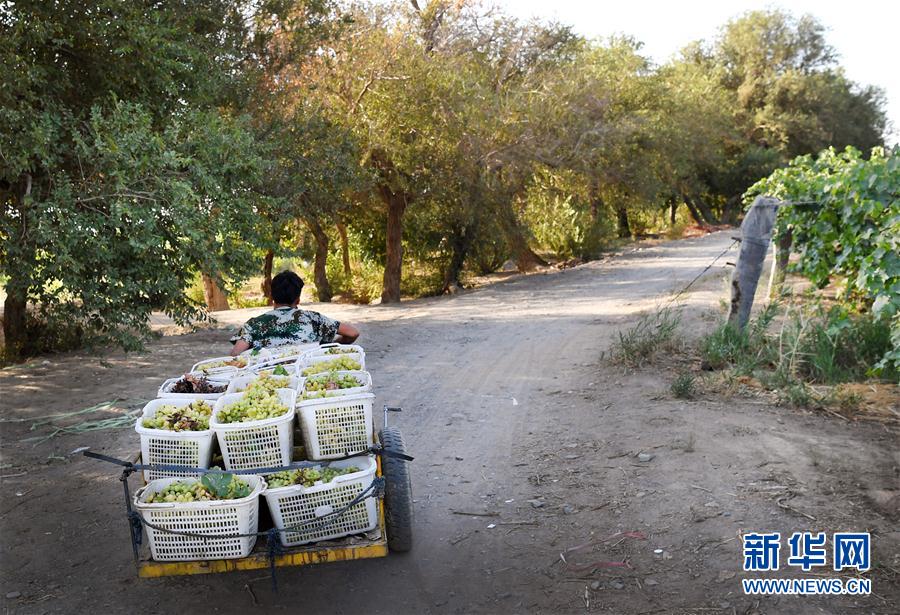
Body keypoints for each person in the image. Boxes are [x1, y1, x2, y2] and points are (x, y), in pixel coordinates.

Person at [229, 271, 359, 355]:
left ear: (272, 298)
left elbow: (236, 353)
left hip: (266, 382)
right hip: (309, 378)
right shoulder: (314, 319)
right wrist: (326, 348)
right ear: (298, 300)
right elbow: (353, 333)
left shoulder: (254, 324)